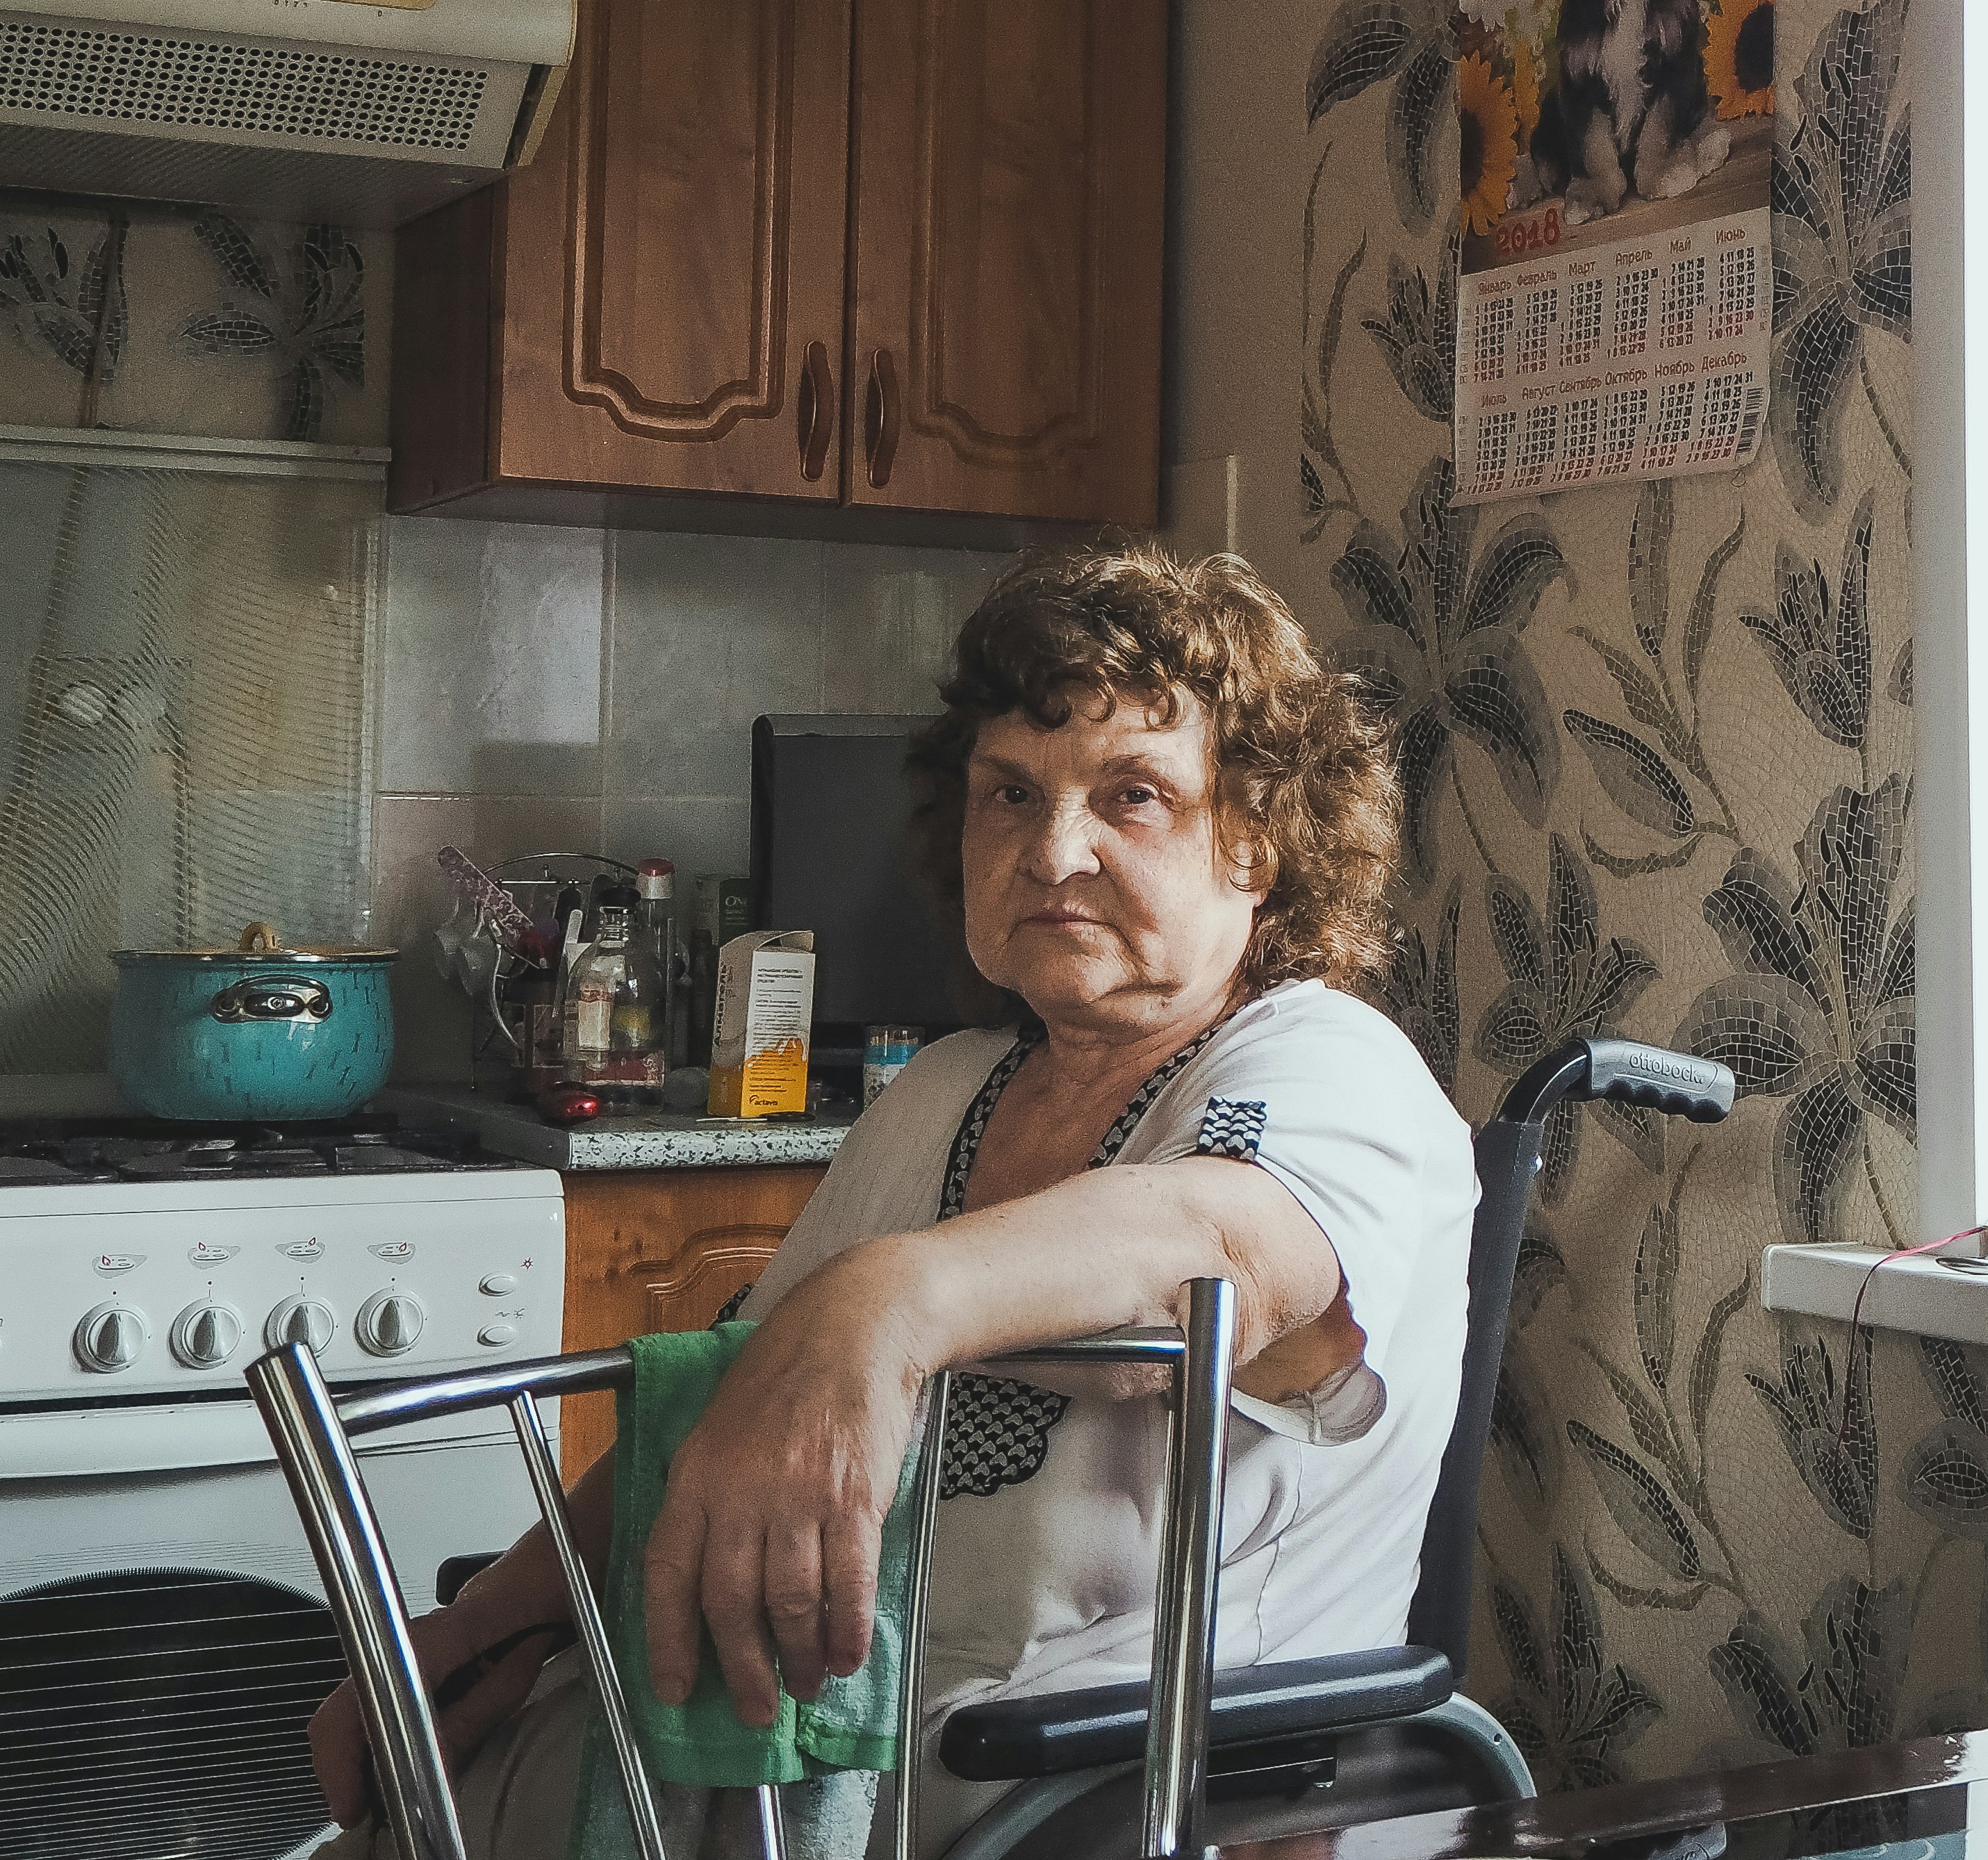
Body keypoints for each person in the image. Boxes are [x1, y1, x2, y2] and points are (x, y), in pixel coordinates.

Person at [309, 547, 1475, 1857]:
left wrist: (879, 1306)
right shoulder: (946, 1092)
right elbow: (722, 1412)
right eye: (1007, 795)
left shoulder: (1327, 1067)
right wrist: (485, 1632)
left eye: (1132, 797)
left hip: (1121, 1793)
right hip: (828, 1757)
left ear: (1255, 842)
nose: (1053, 851)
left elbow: (1222, 1247)